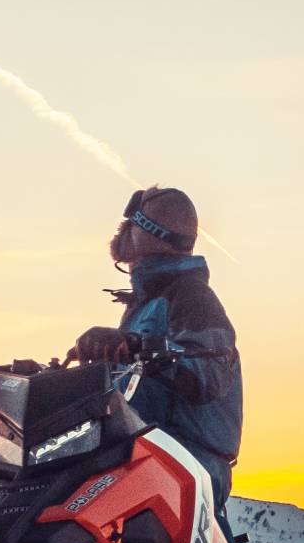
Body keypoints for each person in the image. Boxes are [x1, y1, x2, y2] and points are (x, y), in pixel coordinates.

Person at [68, 185, 243, 525]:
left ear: (149, 234)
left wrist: (136, 346)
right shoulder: (148, 301)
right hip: (143, 454)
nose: (122, 230)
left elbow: (208, 374)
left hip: (185, 462)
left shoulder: (191, 298)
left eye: (131, 224)